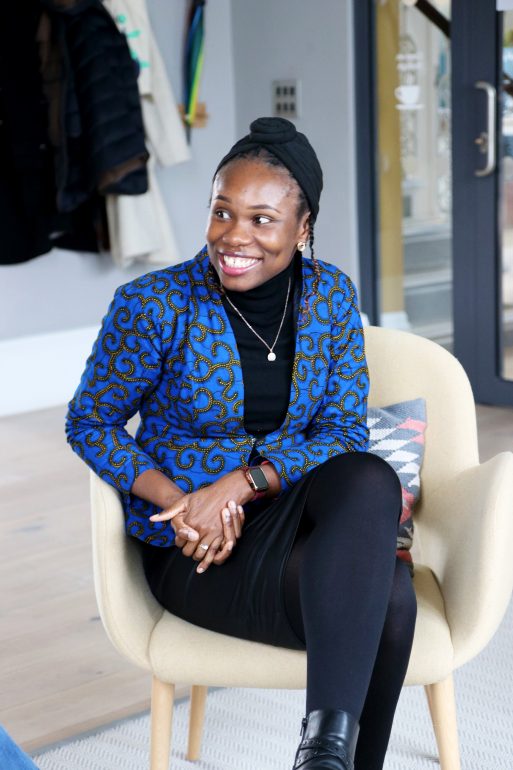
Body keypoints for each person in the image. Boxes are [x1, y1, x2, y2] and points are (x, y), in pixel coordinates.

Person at [66, 117, 417, 770]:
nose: (234, 236)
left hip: (287, 511)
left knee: (367, 473)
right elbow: (89, 423)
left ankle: (320, 756)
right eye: (222, 211)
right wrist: (181, 503)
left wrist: (243, 482)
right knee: (393, 597)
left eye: (261, 219)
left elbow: (341, 432)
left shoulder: (329, 296)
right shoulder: (153, 305)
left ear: (302, 228)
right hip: (192, 547)